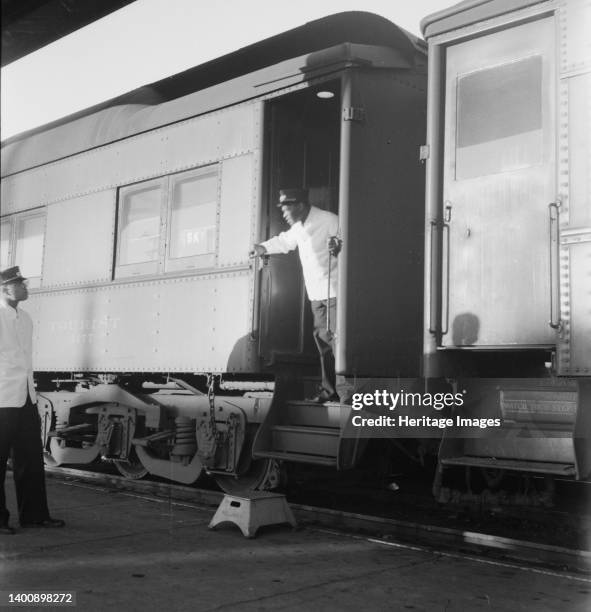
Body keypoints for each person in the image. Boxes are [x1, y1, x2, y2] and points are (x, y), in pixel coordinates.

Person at [252, 188, 341, 403]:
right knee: (324, 344)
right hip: (317, 295)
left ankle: (346, 394)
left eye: (287, 206)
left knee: (338, 344)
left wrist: (339, 244)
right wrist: (263, 248)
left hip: (336, 292)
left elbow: (348, 242)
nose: (283, 212)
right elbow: (284, 242)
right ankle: (330, 392)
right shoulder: (298, 227)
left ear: (300, 205)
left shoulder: (329, 220)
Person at [0, 266, 65, 534]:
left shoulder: (25, 318)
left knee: (30, 458)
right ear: (5, 289)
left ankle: (35, 515)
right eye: (20, 284)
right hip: (1, 397)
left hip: (25, 396)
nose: (26, 287)